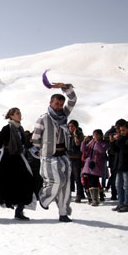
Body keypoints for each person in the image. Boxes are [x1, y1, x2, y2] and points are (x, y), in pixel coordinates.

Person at [32, 82, 77, 222]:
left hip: (63, 155)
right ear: (50, 103)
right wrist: (43, 149)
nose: (58, 106)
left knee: (66, 185)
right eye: (56, 103)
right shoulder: (43, 118)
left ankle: (63, 213)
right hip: (49, 156)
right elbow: (35, 139)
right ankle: (44, 198)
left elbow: (73, 100)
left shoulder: (64, 115)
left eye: (60, 104)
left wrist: (65, 87)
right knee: (57, 181)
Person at [0, 108, 35, 220]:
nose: (19, 115)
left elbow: (25, 144)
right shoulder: (7, 129)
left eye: (20, 113)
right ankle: (12, 205)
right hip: (8, 161)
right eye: (17, 113)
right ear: (11, 116)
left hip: (19, 159)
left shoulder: (20, 129)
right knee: (10, 184)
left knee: (27, 183)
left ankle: (19, 210)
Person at [80, 130, 109, 206]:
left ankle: (95, 199)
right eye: (94, 135)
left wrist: (97, 142)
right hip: (88, 164)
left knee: (94, 181)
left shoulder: (104, 143)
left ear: (101, 135)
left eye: (97, 135)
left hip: (97, 164)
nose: (95, 136)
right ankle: (90, 198)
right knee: (86, 181)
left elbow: (101, 150)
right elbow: (83, 150)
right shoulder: (91, 142)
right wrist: (84, 142)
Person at [105, 119, 127, 200]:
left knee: (126, 180)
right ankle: (114, 194)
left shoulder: (126, 135)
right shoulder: (112, 133)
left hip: (124, 160)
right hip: (114, 158)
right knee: (114, 177)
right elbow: (107, 137)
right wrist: (112, 139)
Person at [67, 120, 85, 203]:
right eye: (70, 126)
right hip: (68, 157)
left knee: (77, 177)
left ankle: (79, 194)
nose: (71, 128)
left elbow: (78, 144)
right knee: (68, 177)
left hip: (76, 157)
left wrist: (75, 136)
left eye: (72, 126)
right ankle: (68, 194)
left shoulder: (79, 134)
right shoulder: (66, 134)